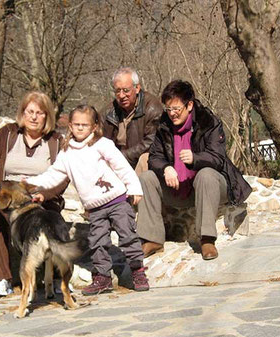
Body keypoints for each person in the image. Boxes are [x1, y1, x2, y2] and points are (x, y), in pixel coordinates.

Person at [26, 105, 150, 295]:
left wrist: (134, 187)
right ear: (70, 126)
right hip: (95, 208)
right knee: (97, 241)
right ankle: (102, 277)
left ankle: (137, 271)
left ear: (94, 126)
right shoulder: (66, 153)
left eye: (85, 124)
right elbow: (53, 176)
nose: (80, 128)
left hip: (117, 200)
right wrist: (32, 184)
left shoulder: (102, 144)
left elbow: (121, 166)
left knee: (128, 235)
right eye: (76, 124)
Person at [137, 80, 252, 260]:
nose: (172, 114)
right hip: (177, 187)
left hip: (211, 186)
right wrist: (166, 168)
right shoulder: (164, 125)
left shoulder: (209, 122)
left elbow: (218, 157)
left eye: (176, 109)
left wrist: (196, 159)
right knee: (147, 178)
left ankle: (206, 239)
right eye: (168, 109)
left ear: (189, 105)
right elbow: (154, 157)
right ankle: (152, 239)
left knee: (206, 174)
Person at [0, 91, 67, 296]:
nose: (34, 117)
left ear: (47, 116)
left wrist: (45, 195)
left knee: (50, 217)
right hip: (5, 193)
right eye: (30, 112)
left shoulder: (55, 141)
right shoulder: (6, 134)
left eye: (40, 113)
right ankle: (1, 279)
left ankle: (56, 277)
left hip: (39, 195)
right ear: (23, 113)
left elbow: (63, 176)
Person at [103, 67, 163, 174]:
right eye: (118, 91)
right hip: (115, 165)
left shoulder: (152, 108)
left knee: (145, 158)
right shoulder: (109, 111)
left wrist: (121, 157)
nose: (121, 96)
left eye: (126, 90)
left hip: (140, 164)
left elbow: (151, 142)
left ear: (137, 88)